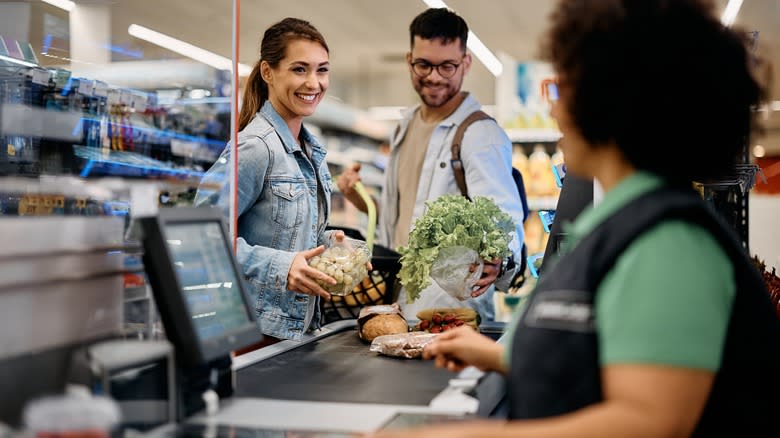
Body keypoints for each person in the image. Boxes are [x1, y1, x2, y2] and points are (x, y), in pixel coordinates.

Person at [368, 0, 779, 437]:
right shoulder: (626, 221)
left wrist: (463, 434)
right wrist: (500, 356)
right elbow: (610, 349)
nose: (555, 109)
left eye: (566, 88)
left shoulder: (669, 242)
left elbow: (650, 421)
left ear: (616, 105)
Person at [337, 8, 525, 321]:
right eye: (424, 64)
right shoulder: (405, 126)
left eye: (447, 66)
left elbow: (503, 219)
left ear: (465, 63)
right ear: (410, 60)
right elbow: (407, 221)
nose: (434, 76)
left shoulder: (479, 134)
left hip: (451, 312)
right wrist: (363, 200)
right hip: (397, 303)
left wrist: (498, 259)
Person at [195, 18, 351, 343]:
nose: (314, 82)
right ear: (268, 72)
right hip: (255, 334)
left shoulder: (310, 150)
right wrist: (282, 266)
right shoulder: (254, 147)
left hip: (296, 331)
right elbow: (202, 237)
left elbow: (280, 233)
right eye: (299, 69)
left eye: (322, 70)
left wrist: (327, 245)